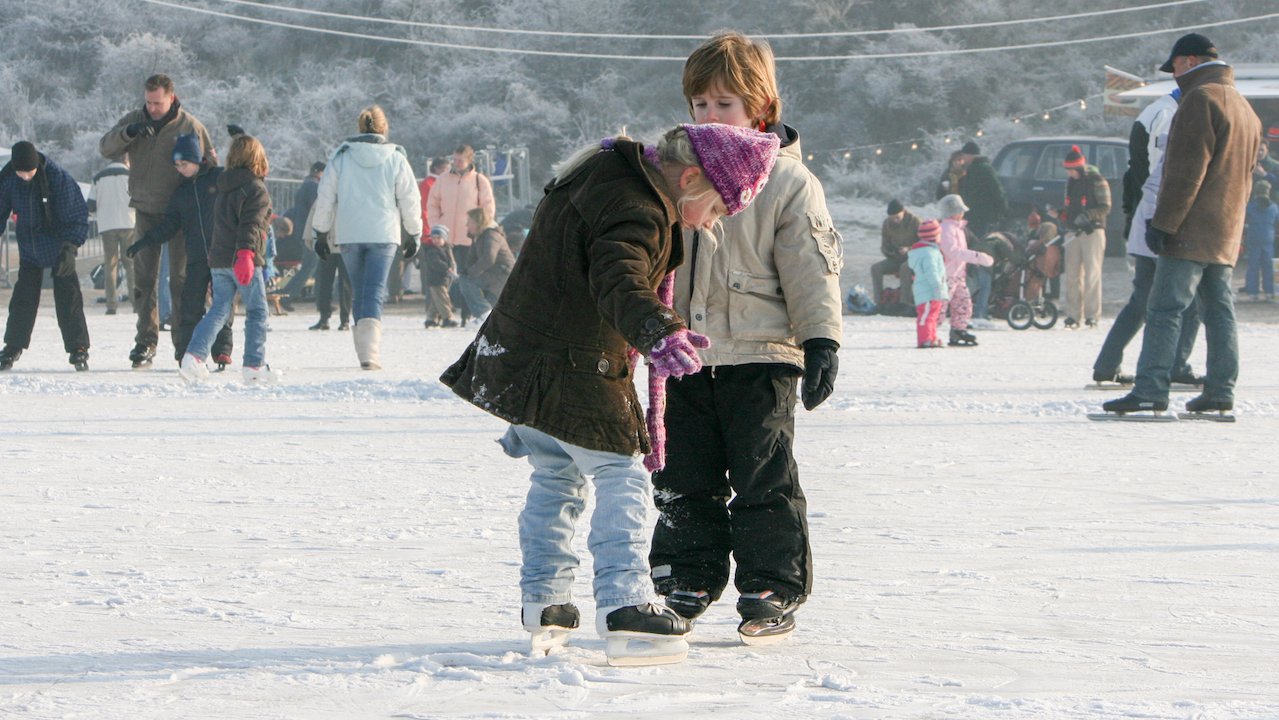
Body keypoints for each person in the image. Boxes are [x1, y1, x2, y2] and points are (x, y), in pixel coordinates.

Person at [440, 122, 780, 666]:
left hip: (529, 358)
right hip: (578, 365)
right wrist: (659, 330)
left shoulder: (603, 171)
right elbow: (619, 277)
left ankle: (545, 600)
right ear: (689, 177)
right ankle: (626, 606)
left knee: (554, 475)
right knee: (622, 475)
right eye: (715, 210)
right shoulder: (639, 206)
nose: (710, 223)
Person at [648, 32, 844, 646]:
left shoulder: (788, 182)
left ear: (760, 108)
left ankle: (769, 585)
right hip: (685, 357)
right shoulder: (669, 173)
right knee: (685, 474)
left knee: (764, 474)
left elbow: (812, 268)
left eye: (724, 104)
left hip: (761, 355)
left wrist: (821, 342)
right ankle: (687, 576)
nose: (710, 116)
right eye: (700, 104)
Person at [1104, 33, 1261, 416]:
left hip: (1189, 228)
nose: (1173, 74)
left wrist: (1164, 222)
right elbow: (1246, 176)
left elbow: (1185, 172)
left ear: (1189, 61)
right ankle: (1221, 389)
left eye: (1174, 66)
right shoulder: (1245, 108)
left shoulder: (1199, 100)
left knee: (1164, 309)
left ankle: (1150, 389)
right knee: (1219, 312)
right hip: (1224, 229)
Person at [100, 73, 215, 368]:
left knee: (180, 279)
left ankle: (182, 342)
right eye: (149, 102)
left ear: (171, 98)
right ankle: (146, 340)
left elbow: (210, 165)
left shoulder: (190, 126)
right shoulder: (135, 120)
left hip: (180, 213)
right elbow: (106, 148)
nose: (152, 107)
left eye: (158, 102)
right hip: (146, 210)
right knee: (144, 279)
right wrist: (129, 133)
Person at [1092, 89, 1202, 387]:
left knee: (1141, 302)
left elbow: (1140, 181)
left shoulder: (1154, 117)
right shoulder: (1169, 122)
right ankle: (1176, 365)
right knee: (1189, 301)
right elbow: (1161, 183)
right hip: (1159, 229)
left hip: (1146, 227)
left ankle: (1106, 364)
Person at [310, 105, 422, 370]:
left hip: (350, 233)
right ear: (384, 127)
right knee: (373, 291)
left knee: (360, 290)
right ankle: (369, 354)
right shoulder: (396, 158)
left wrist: (320, 231)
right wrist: (414, 232)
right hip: (384, 232)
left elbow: (325, 197)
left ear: (360, 127)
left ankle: (364, 351)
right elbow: (410, 198)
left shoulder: (342, 157)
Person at [125, 133, 235, 367]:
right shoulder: (181, 193)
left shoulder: (219, 178)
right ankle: (186, 351)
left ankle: (222, 350)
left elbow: (242, 195)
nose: (180, 169)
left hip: (222, 254)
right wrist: (144, 241)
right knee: (189, 305)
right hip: (196, 256)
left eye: (184, 163)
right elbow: (169, 225)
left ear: (196, 159)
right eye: (176, 165)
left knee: (222, 303)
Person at [178, 135, 275, 384]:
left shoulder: (224, 186)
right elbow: (250, 225)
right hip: (243, 258)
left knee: (220, 309)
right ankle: (254, 365)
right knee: (257, 311)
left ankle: (193, 357)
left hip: (220, 258)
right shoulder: (256, 189)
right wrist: (246, 254)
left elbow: (221, 226)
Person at [0, 142, 91, 371]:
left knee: (68, 298)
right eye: (20, 172)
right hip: (30, 249)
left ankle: (78, 348)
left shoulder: (57, 178)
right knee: (23, 299)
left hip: (59, 247)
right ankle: (12, 346)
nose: (25, 176)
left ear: (36, 166)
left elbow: (77, 215)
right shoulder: (9, 179)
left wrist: (70, 248)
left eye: (28, 172)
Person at [1060, 145, 1112, 329]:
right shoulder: (1071, 183)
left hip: (1093, 232)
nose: (1069, 174)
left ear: (1079, 168)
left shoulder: (1097, 180)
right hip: (1073, 232)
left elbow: (1105, 206)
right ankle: (1073, 315)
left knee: (1092, 274)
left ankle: (1092, 315)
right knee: (1072, 274)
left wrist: (1088, 216)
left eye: (1071, 170)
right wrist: (1061, 215)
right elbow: (1069, 207)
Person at [937, 193, 993, 346]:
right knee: (940, 306)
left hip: (959, 274)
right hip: (947, 275)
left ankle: (958, 330)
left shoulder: (959, 228)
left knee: (963, 303)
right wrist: (977, 257)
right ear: (954, 212)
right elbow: (952, 251)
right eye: (960, 210)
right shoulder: (946, 228)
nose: (963, 213)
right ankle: (930, 330)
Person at [428, 144, 495, 267]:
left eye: (460, 160)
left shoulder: (479, 180)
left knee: (465, 276)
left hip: (469, 239)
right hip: (445, 238)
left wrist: (480, 230)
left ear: (469, 160)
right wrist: (435, 225)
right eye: (454, 159)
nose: (456, 163)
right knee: (446, 277)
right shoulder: (443, 179)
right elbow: (432, 204)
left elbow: (488, 208)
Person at [88, 156, 135, 316]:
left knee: (110, 265)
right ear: (126, 160)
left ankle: (111, 305)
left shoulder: (99, 177)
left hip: (107, 225)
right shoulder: (131, 175)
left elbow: (91, 205)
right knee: (131, 265)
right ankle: (135, 302)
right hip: (129, 223)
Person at [278, 161, 325, 310]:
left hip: (303, 230)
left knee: (315, 265)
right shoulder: (313, 186)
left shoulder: (306, 185)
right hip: (311, 232)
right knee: (310, 265)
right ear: (319, 172)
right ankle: (287, 294)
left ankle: (323, 300)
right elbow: (317, 208)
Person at [454, 207, 515, 321]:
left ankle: (484, 315)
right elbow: (471, 260)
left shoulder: (491, 235)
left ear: (478, 222)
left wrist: (470, 273)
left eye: (469, 222)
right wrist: (466, 271)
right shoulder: (479, 236)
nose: (467, 225)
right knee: (466, 280)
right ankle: (484, 317)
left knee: (466, 281)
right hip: (494, 274)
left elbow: (489, 258)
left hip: (502, 274)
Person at [300, 201, 351, 331]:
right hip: (328, 244)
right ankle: (325, 317)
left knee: (343, 284)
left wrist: (309, 238)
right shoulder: (325, 196)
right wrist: (310, 237)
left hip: (344, 244)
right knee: (325, 282)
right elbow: (314, 214)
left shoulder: (346, 194)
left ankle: (344, 319)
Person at [908, 219, 948, 348]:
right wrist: (938, 289)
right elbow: (932, 273)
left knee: (933, 316)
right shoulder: (929, 254)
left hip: (930, 292)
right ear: (934, 236)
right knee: (926, 316)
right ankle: (924, 338)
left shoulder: (929, 252)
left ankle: (932, 337)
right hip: (928, 292)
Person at [871, 199, 918, 307]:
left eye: (897, 217)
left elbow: (923, 244)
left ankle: (905, 303)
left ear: (903, 212)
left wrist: (909, 249)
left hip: (913, 258)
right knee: (875, 268)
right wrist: (893, 252)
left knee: (904, 268)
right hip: (896, 258)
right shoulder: (887, 224)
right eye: (892, 218)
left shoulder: (915, 221)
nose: (895, 220)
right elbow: (884, 246)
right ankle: (879, 302)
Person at [957, 141, 1008, 237]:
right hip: (974, 214)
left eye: (964, 155)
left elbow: (996, 190)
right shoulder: (972, 168)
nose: (962, 158)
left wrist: (1003, 210)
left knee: (979, 240)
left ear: (970, 155)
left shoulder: (984, 169)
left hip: (982, 214)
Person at [1242, 179, 1278, 301]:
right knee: (1268, 266)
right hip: (1268, 238)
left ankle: (1253, 293)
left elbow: (1244, 220)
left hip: (1253, 237)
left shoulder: (1250, 206)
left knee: (1253, 266)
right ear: (1268, 191)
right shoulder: (1274, 207)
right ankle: (1269, 291)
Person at [420, 224, 458, 328]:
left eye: (439, 238)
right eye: (434, 238)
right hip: (436, 279)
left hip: (444, 278)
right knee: (443, 298)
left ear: (444, 238)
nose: (436, 240)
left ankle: (431, 318)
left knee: (436, 299)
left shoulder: (447, 248)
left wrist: (452, 269)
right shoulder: (432, 250)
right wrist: (447, 268)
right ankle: (447, 317)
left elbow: (452, 260)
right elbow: (436, 263)